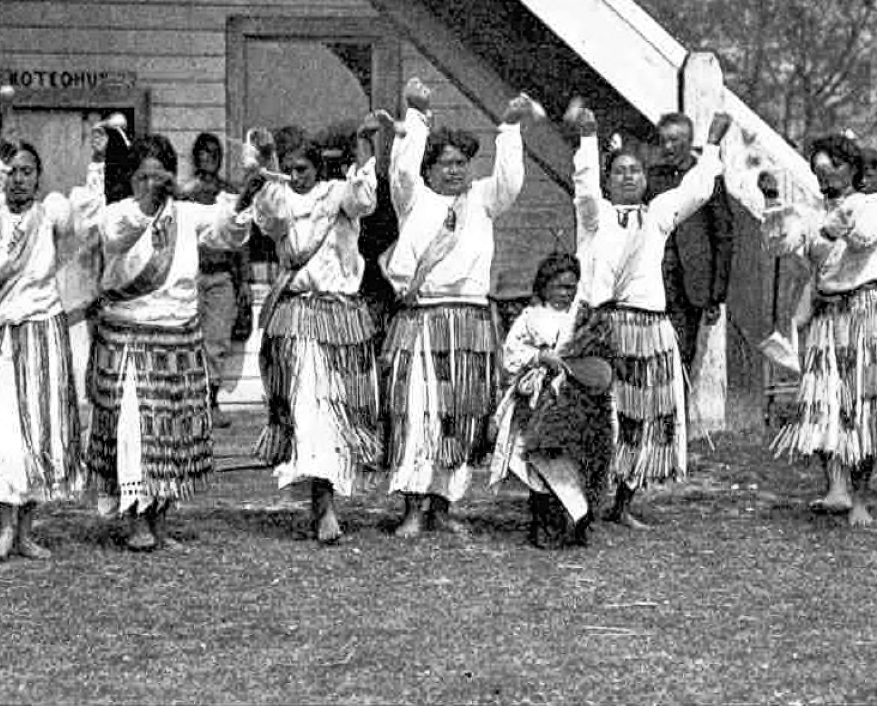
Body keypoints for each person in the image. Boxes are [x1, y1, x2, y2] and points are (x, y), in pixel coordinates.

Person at [88, 133, 262, 551]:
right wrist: (152, 205)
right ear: (131, 180)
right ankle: (135, 522)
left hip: (177, 340)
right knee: (134, 432)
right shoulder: (119, 213)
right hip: (130, 337)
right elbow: (117, 238)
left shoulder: (185, 213)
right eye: (143, 177)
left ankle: (159, 520)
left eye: (158, 176)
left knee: (172, 437)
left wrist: (243, 200)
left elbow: (226, 231)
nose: (151, 184)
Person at [377, 78, 530, 538]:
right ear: (430, 169)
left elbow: (510, 181)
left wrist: (509, 130)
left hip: (469, 320)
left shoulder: (481, 200)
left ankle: (443, 506)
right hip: (422, 319)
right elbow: (401, 171)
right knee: (415, 409)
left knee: (461, 413)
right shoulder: (414, 200)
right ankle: (411, 507)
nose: (453, 171)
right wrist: (419, 115)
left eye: (461, 163)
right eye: (444, 164)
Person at [572, 107, 732, 529]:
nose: (628, 177)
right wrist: (588, 137)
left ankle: (623, 504)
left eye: (635, 172)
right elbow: (584, 189)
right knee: (601, 416)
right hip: (606, 328)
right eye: (619, 171)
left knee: (643, 417)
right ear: (608, 180)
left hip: (649, 329)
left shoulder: (658, 213)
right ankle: (586, 499)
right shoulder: (596, 217)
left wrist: (713, 143)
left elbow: (697, 190)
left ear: (646, 180)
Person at [761, 133, 877, 527]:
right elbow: (779, 244)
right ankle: (836, 489)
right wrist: (771, 202)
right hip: (828, 312)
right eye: (819, 169)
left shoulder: (873, 204)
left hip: (869, 309)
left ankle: (861, 498)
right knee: (825, 401)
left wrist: (834, 223)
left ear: (853, 168)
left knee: (866, 404)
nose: (826, 176)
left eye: (834, 167)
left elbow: (864, 239)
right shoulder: (808, 211)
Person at [0, 129, 106, 561]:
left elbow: (89, 223)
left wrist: (96, 163)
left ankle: (25, 532)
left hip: (42, 335)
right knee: (1, 434)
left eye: (27, 172)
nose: (19, 179)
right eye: (13, 171)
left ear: (38, 177)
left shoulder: (51, 212)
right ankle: (2, 530)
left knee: (37, 433)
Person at [251, 119, 383, 544]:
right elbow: (271, 219)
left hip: (342, 318)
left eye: (302, 167)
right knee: (309, 407)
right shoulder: (278, 201)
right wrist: (269, 165)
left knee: (341, 409)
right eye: (288, 168)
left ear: (317, 168)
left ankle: (324, 498)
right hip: (298, 317)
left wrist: (364, 144)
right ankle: (324, 506)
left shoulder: (335, 195)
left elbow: (365, 200)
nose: (296, 176)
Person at [490, 252, 615, 547]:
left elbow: (598, 358)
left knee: (576, 459)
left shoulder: (583, 319)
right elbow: (510, 355)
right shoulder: (531, 318)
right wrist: (539, 357)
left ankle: (578, 521)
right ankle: (547, 526)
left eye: (571, 287)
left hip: (578, 401)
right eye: (560, 287)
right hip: (539, 401)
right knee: (541, 460)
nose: (566, 293)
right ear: (544, 286)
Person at [644, 112, 738, 374]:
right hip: (657, 280)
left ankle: (678, 413)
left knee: (683, 354)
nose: (669, 147)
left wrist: (716, 295)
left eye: (675, 140)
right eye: (664, 141)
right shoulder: (652, 179)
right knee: (653, 352)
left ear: (689, 141)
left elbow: (723, 235)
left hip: (692, 283)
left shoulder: (706, 178)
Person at [181, 131, 249, 427]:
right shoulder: (184, 192)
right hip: (191, 273)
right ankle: (186, 404)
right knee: (186, 338)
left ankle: (210, 401)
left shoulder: (230, 193)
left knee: (216, 339)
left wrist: (244, 280)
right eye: (203, 152)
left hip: (222, 273)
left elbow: (241, 238)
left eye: (213, 152)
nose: (208, 157)